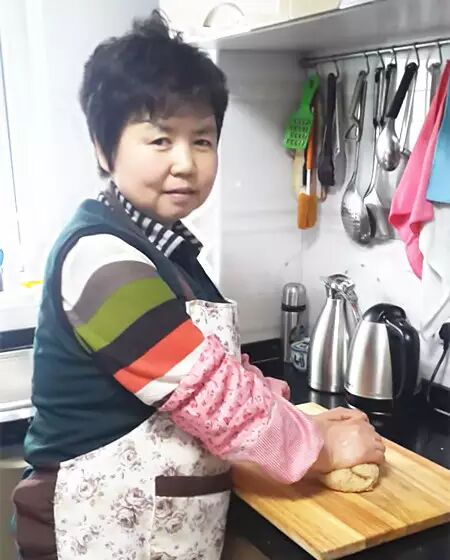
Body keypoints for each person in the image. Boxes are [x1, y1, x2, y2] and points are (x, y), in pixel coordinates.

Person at [12, 11, 385, 560]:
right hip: (94, 536)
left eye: (203, 139)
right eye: (160, 139)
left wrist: (296, 417)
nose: (186, 163)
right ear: (102, 147)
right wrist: (319, 448)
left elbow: (215, 364)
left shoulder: (166, 250)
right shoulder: (101, 259)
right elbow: (211, 394)